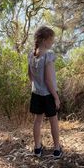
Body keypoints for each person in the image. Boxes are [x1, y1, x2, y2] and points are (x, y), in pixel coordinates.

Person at [28, 26, 63, 159]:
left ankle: (37, 148)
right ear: (44, 40)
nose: (52, 42)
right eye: (51, 39)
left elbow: (30, 76)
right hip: (48, 94)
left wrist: (37, 85)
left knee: (38, 121)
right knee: (53, 121)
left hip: (36, 93)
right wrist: (56, 97)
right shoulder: (48, 55)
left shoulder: (32, 55)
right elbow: (48, 80)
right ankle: (57, 150)